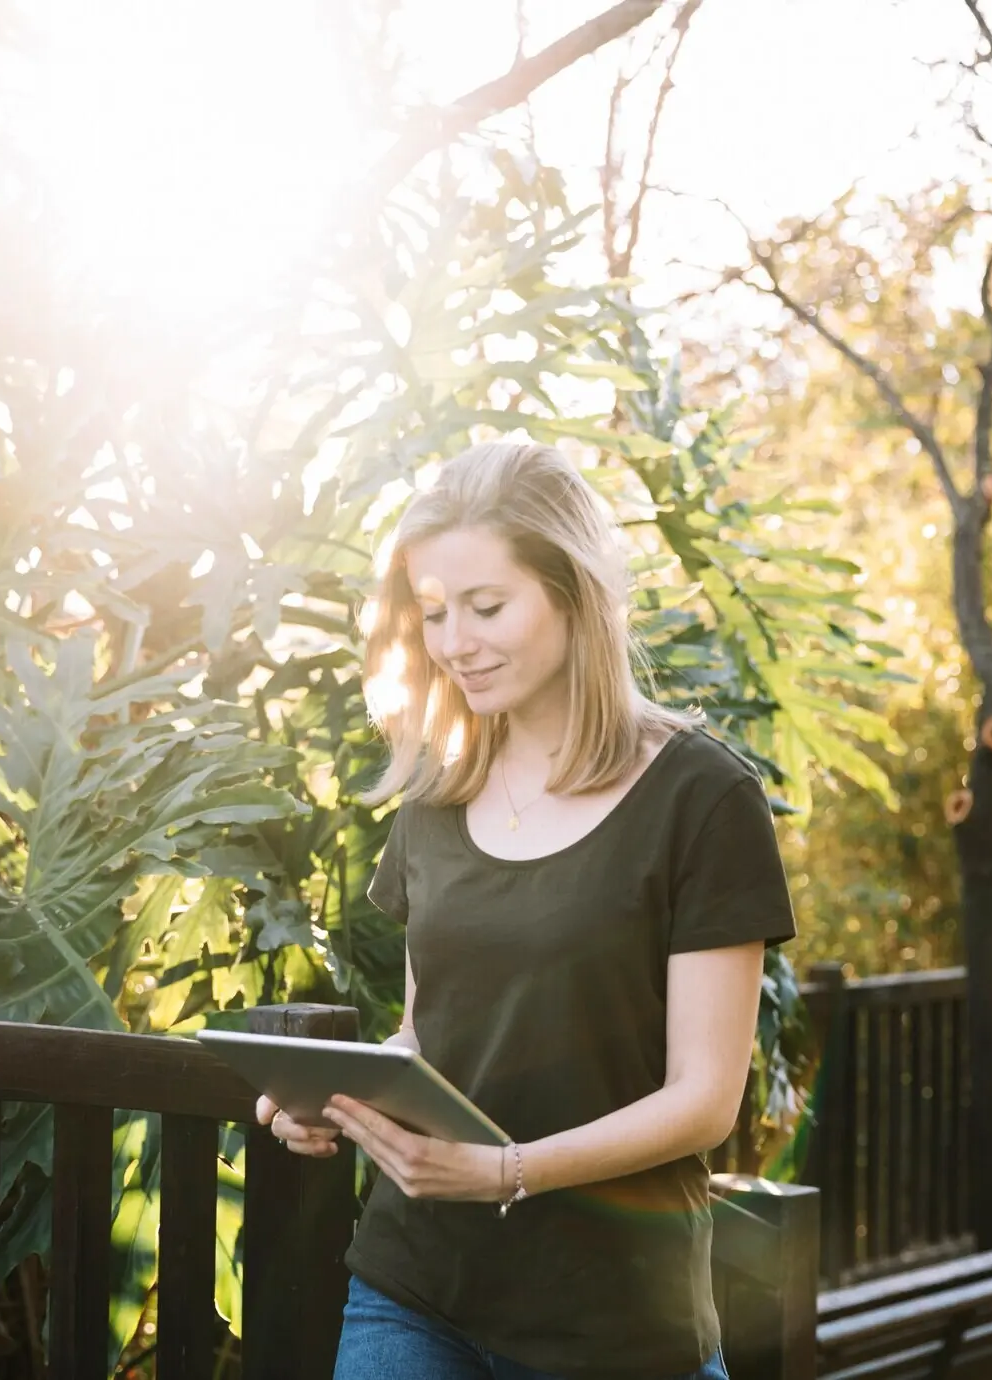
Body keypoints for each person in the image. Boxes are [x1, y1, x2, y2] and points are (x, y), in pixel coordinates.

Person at [256, 441, 797, 1379]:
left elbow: (705, 1100)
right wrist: (336, 1100)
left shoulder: (702, 799)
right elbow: (429, 1037)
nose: (455, 641)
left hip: (615, 1324)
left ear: (572, 594)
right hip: (414, 1287)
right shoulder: (436, 797)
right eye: (433, 614)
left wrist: (507, 1171)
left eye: (487, 606)